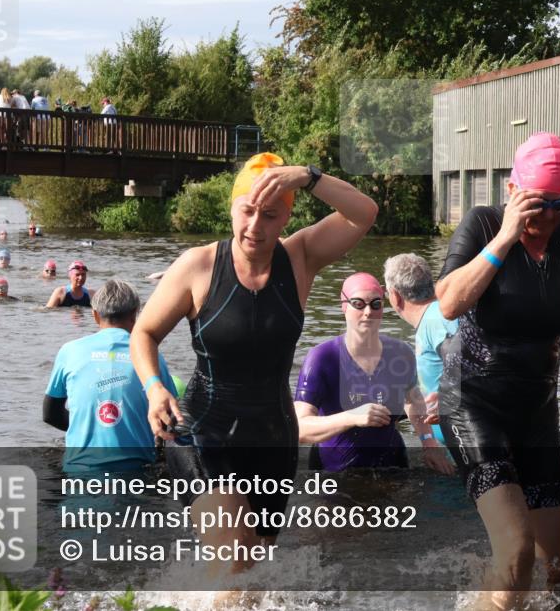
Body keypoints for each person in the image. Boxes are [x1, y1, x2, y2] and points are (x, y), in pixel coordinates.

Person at [129, 153, 377, 585]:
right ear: (231, 208)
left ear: (286, 217)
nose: (254, 227)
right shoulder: (198, 266)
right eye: (246, 211)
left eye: (269, 215)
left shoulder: (300, 257)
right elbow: (144, 333)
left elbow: (364, 213)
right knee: (233, 560)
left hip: (273, 442)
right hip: (204, 431)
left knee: (251, 577)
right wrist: (153, 387)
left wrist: (309, 177)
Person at [435, 132, 560, 606]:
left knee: (553, 574)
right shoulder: (484, 225)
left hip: (537, 415)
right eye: (536, 204)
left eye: (557, 204)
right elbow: (448, 302)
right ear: (512, 191)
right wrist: (505, 238)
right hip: (473, 406)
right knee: (518, 551)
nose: (546, 216)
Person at [293, 272, 453, 474]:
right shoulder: (322, 358)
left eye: (375, 304)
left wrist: (428, 442)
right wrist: (352, 417)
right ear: (344, 306)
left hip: (393, 466)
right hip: (333, 472)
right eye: (358, 304)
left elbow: (413, 401)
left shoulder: (400, 353)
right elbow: (299, 428)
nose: (368, 312)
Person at [43, 279, 175, 473]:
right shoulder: (151, 357)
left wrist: (91, 426)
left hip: (79, 468)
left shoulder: (69, 351)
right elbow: (169, 417)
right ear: (135, 315)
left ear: (95, 315)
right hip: (135, 470)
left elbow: (50, 414)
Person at [383, 253, 458, 445]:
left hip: (461, 445)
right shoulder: (433, 317)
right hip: (448, 443)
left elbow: (480, 362)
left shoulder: (436, 321)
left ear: (395, 296)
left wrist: (451, 398)